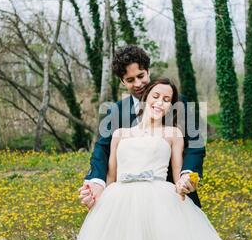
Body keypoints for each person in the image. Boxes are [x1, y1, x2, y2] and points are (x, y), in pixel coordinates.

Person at [70, 78, 241, 240]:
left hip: (159, 199)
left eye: (167, 99)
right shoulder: (119, 134)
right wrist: (96, 199)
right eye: (156, 96)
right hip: (120, 201)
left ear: (171, 107)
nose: (160, 102)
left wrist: (187, 182)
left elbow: (178, 177)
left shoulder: (173, 134)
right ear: (145, 97)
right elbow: (111, 177)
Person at [79, 44, 205, 209]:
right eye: (130, 80)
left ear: (148, 71)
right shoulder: (116, 110)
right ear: (122, 81)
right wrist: (96, 182)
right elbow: (102, 149)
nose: (138, 84)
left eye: (141, 76)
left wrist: (187, 175)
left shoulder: (178, 102)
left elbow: (195, 144)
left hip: (170, 196)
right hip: (127, 200)